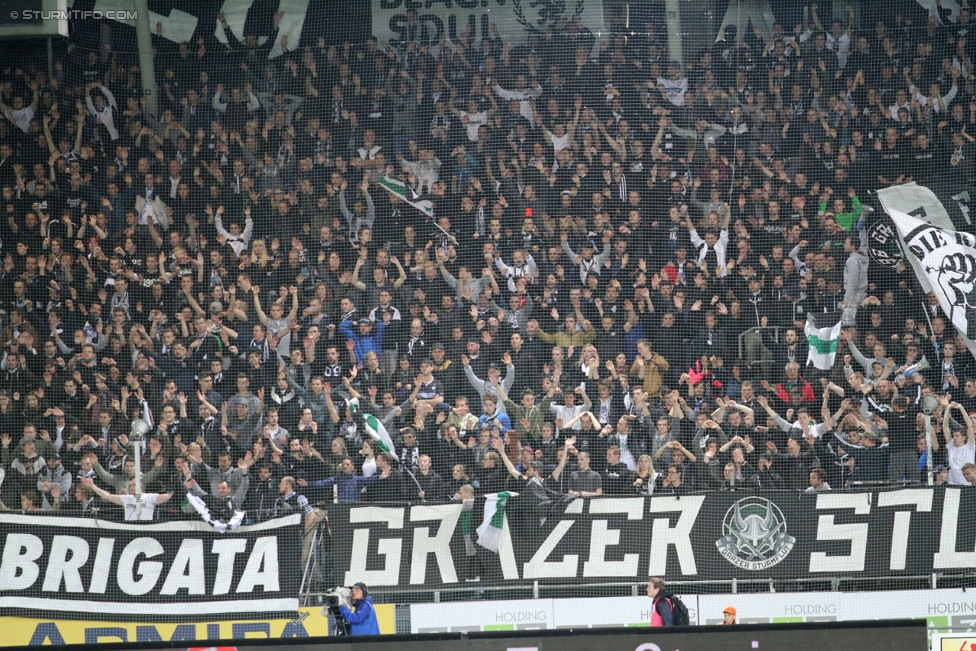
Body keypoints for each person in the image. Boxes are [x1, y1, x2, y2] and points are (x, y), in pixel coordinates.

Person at [79, 476, 173, 521]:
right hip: (129, 530)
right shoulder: (126, 499)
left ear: (141, 485)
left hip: (146, 530)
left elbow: (168, 497)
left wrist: (181, 486)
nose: (132, 487)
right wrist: (92, 486)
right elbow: (107, 496)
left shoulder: (150, 497)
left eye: (134, 485)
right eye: (130, 485)